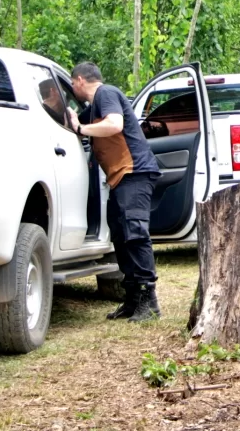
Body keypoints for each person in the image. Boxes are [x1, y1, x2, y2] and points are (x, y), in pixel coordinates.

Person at [67, 62, 163, 321]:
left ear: (79, 80)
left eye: (71, 83)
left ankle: (149, 301)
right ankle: (132, 300)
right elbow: (73, 121)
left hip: (135, 172)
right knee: (120, 237)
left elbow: (114, 124)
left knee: (135, 234)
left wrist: (80, 128)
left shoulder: (105, 93)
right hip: (120, 178)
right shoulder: (93, 107)